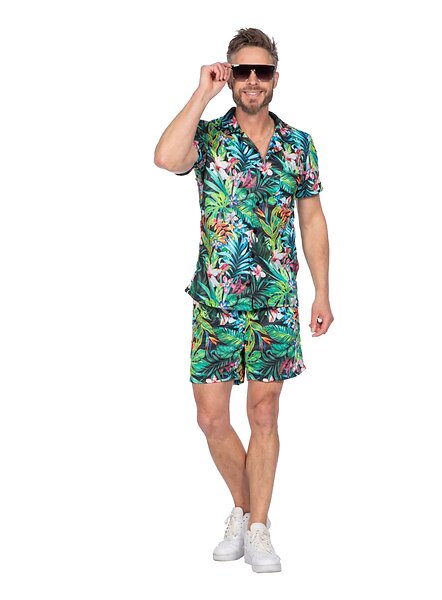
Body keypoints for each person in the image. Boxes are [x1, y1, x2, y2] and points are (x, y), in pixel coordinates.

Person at [154, 27, 333, 573]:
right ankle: (248, 507)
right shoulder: (208, 137)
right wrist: (202, 92)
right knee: (211, 419)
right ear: (231, 75)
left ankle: (256, 529)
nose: (253, 80)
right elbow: (165, 157)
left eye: (263, 71)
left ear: (276, 78)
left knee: (264, 412)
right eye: (243, 71)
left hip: (275, 299)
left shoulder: (298, 144)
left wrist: (323, 291)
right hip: (216, 300)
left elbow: (312, 220)